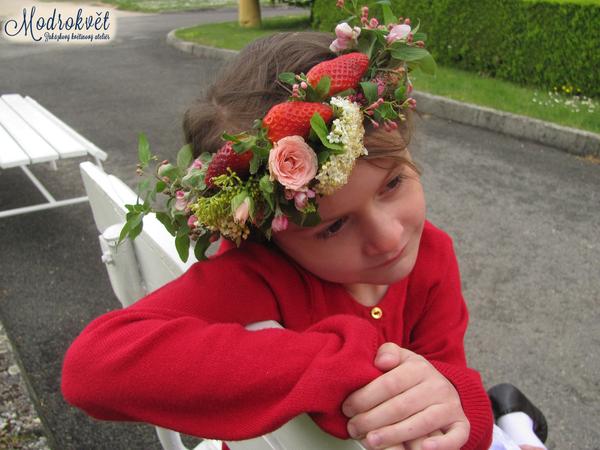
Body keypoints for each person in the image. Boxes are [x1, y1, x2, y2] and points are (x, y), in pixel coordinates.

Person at [61, 6, 548, 450]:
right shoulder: (262, 276)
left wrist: (458, 399)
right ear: (265, 231)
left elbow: (448, 379)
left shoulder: (433, 257)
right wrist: (343, 365)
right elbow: (92, 368)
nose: (388, 237)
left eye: (393, 183)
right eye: (333, 228)